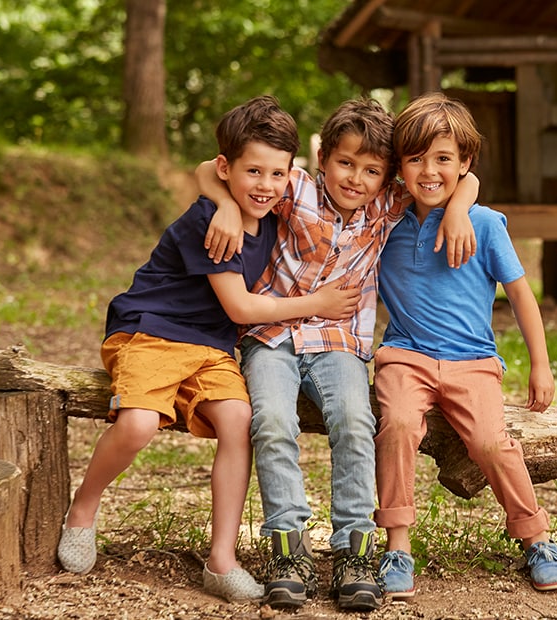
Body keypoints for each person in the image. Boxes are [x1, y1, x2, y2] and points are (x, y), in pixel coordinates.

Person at [55, 95, 362, 604]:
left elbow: (208, 170)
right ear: (227, 169)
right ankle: (83, 510)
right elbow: (240, 307)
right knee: (138, 423)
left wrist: (227, 199)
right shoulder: (209, 222)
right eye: (253, 172)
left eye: (277, 174)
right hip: (153, 332)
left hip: (212, 346)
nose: (265, 185)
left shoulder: (270, 211)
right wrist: (318, 302)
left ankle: (221, 560)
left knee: (238, 420)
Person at [197, 97, 480, 612]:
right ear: (322, 157)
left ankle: (354, 549)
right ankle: (288, 550)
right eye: (345, 163)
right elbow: (207, 169)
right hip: (271, 337)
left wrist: (459, 208)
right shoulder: (295, 189)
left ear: (386, 175)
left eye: (372, 170)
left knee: (354, 419)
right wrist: (224, 205)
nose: (356, 179)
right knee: (271, 422)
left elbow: (465, 177)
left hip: (339, 343)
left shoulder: (387, 203)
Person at [372, 92, 557, 600]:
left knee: (490, 442)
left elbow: (521, 296)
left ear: (464, 164)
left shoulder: (484, 223)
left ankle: (537, 539)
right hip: (405, 356)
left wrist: (541, 366)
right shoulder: (384, 219)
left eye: (443, 159)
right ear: (398, 165)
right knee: (397, 424)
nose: (429, 171)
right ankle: (397, 546)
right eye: (415, 159)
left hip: (473, 361)